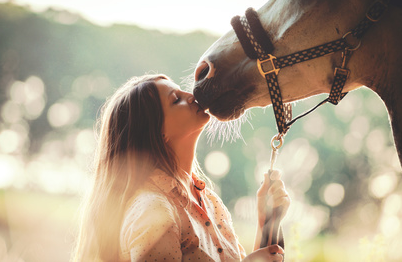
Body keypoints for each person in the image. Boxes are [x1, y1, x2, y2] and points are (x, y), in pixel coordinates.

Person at [72, 74, 290, 262]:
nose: (192, 95)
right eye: (176, 100)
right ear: (157, 132)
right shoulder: (154, 210)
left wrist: (267, 220)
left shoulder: (208, 200)